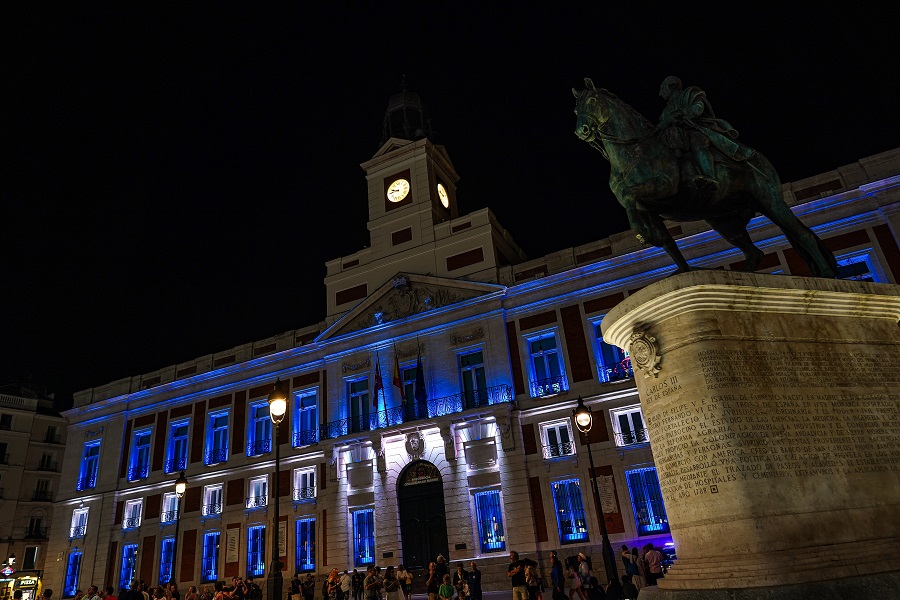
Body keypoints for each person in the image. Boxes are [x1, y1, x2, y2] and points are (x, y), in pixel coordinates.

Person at [657, 76, 754, 194]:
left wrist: (683, 114)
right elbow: (661, 124)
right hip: (674, 136)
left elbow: (698, 108)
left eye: (662, 88)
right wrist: (668, 120)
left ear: (672, 86)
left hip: (695, 128)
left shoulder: (689, 94)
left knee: (696, 140)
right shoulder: (666, 110)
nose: (660, 93)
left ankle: (710, 176)